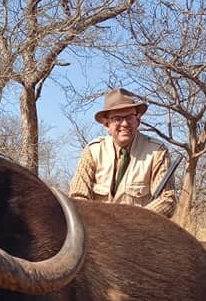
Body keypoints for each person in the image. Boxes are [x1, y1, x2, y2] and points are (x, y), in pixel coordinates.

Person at [69, 87, 177, 217]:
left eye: (130, 117)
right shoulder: (92, 151)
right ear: (107, 124)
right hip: (99, 231)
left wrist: (130, 223)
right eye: (117, 119)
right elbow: (78, 198)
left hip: (140, 232)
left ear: (138, 120)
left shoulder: (157, 151)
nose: (124, 124)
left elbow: (167, 201)